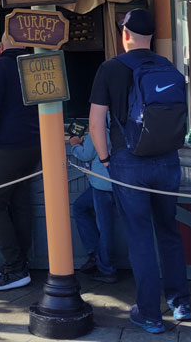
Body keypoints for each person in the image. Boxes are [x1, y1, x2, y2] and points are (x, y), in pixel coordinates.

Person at [89, 8, 191, 333]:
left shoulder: (109, 69)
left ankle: (149, 313)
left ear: (125, 34)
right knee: (169, 232)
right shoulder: (168, 66)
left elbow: (95, 124)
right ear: (152, 35)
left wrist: (106, 161)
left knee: (140, 237)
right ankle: (181, 302)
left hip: (128, 162)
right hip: (167, 161)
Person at [0, 36, 41, 290]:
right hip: (34, 143)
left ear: (2, 44)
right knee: (20, 203)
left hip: (6, 146)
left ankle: (15, 268)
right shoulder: (35, 65)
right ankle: (20, 262)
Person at [69, 122, 118, 284]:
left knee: (104, 226)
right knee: (81, 208)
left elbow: (86, 154)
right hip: (122, 182)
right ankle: (97, 256)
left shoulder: (100, 125)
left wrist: (74, 144)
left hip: (102, 184)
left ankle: (106, 268)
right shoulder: (123, 124)